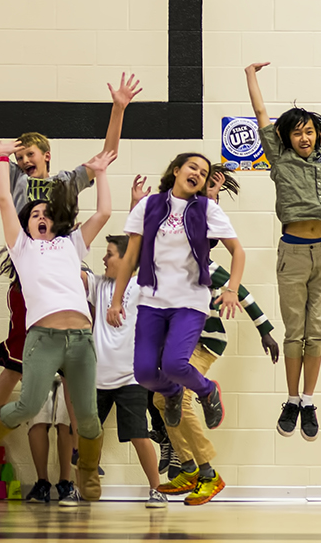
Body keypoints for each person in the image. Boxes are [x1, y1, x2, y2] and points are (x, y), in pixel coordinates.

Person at [0, 63, 140, 428]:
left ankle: (79, 437)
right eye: (20, 155)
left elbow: (106, 155)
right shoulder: (10, 175)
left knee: (76, 362)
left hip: (65, 268)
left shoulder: (66, 182)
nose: (24, 160)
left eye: (31, 154)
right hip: (28, 268)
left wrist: (118, 110)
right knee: (17, 357)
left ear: (47, 156)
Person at [0, 149, 115, 506]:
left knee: (89, 417)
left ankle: (88, 469)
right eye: (34, 214)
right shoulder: (21, 247)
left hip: (80, 340)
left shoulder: (71, 244)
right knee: (28, 405)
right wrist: (2, 161)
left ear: (56, 220)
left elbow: (105, 213)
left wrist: (101, 173)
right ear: (27, 223)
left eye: (47, 213)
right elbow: (4, 197)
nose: (41, 216)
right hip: (43, 338)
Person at [131, 171, 279, 506]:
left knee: (180, 399)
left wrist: (266, 331)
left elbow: (244, 295)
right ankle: (187, 467)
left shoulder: (210, 270)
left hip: (205, 342)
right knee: (158, 400)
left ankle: (209, 474)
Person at [109, 154, 245, 471]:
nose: (197, 173)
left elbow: (237, 250)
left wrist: (232, 289)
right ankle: (171, 399)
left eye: (203, 172)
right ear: (176, 170)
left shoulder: (207, 210)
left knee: (174, 363)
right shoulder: (151, 206)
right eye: (192, 167)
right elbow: (131, 257)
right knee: (144, 374)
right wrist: (115, 301)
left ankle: (208, 392)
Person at [245, 62, 321, 440]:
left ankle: (308, 401)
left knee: (317, 332)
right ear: (286, 138)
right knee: (295, 333)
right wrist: (250, 75)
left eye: (309, 132)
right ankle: (291, 399)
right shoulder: (280, 157)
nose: (305, 138)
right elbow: (260, 113)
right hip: (293, 251)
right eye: (298, 133)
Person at [86, 233, 166, 508]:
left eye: (110, 254)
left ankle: (157, 489)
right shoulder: (98, 284)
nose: (104, 259)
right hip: (97, 377)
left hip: (130, 377)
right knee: (87, 434)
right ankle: (80, 485)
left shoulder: (143, 287)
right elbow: (71, 268)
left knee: (139, 435)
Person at [22, 377, 76, 506]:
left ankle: (65, 484)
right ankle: (42, 483)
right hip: (39, 363)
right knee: (37, 420)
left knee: (65, 421)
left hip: (69, 363)